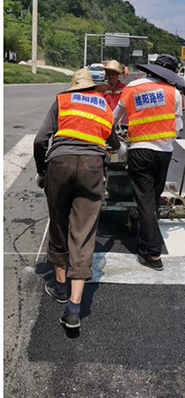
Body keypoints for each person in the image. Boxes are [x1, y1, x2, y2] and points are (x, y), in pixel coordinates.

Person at [34, 68, 120, 330]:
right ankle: (74, 308)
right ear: (93, 89)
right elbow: (114, 144)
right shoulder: (103, 105)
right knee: (83, 233)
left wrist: (42, 171)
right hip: (92, 167)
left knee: (58, 224)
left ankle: (60, 287)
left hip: (59, 165)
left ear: (73, 88)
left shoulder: (62, 100)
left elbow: (40, 140)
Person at [113, 54, 184, 271]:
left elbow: (113, 119)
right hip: (164, 153)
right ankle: (146, 246)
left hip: (140, 151)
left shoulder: (132, 87)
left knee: (145, 203)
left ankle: (153, 253)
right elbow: (178, 127)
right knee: (152, 200)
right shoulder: (174, 93)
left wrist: (119, 144)